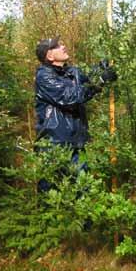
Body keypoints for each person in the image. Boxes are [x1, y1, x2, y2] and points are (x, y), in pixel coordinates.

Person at [34, 37, 117, 191]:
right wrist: (100, 81)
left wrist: (103, 67)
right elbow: (70, 97)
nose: (63, 46)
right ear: (50, 56)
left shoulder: (72, 72)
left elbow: (90, 76)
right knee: (51, 194)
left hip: (78, 145)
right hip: (53, 146)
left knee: (82, 190)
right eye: (57, 46)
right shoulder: (44, 76)